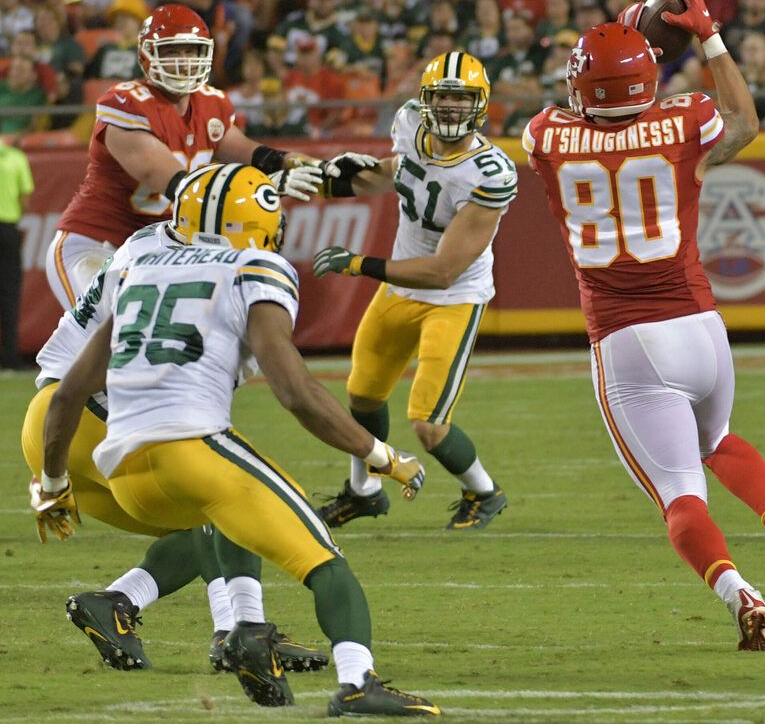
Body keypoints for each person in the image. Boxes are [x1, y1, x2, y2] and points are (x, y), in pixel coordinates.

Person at [34, 163, 439, 717]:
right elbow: (295, 391)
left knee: (218, 519)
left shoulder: (141, 258)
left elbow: (69, 392)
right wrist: (379, 455)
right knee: (319, 556)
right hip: (175, 438)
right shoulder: (255, 264)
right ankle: (346, 676)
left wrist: (51, 483)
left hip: (114, 447)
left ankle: (221, 623)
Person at [524, 0, 765, 650]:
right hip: (700, 326)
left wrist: (627, 53)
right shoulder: (686, 121)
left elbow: (584, 111)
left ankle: (738, 591)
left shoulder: (546, 136)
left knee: (679, 494)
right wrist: (709, 37)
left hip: (625, 339)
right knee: (717, 438)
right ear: (652, 77)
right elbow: (743, 125)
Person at [24, 214, 330, 674]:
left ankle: (120, 602)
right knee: (226, 496)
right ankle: (240, 634)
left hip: (55, 421)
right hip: (92, 411)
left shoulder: (153, 246)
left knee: (196, 527)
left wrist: (51, 480)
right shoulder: (191, 266)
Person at [311, 52, 516, 532]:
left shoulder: (490, 172)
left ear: (480, 104)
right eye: (442, 96)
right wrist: (334, 180)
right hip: (399, 289)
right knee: (362, 395)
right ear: (425, 100)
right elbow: (397, 173)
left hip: (452, 297)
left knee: (427, 424)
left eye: (460, 98)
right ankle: (363, 492)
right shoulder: (409, 126)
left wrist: (360, 264)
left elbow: (443, 272)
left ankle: (484, 491)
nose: (449, 108)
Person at [43, 4, 335, 311]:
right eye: (172, 51)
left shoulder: (212, 103)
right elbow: (176, 184)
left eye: (191, 51)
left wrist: (317, 168)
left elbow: (259, 155)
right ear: (147, 55)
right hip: (98, 245)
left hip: (161, 252)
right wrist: (264, 187)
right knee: (109, 323)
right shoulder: (127, 103)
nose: (183, 62)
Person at [0, 138, 32, 369]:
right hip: (8, 230)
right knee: (9, 294)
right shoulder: (16, 158)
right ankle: (10, 357)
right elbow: (26, 200)